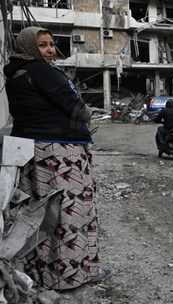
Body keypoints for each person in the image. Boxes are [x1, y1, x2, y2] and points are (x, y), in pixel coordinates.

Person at [4, 26, 109, 290]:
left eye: (51, 44)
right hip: (62, 152)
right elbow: (74, 105)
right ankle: (74, 275)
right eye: (42, 45)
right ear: (29, 47)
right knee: (71, 213)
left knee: (43, 213)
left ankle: (43, 275)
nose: (50, 50)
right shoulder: (42, 71)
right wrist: (86, 115)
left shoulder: (15, 74)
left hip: (35, 152)